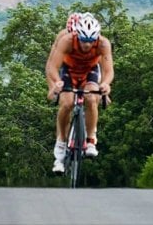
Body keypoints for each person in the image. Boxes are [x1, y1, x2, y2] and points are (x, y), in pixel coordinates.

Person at [46, 12, 114, 173]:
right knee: (67, 103)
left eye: (91, 41)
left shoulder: (103, 44)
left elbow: (108, 70)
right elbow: (51, 67)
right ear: (77, 34)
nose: (87, 45)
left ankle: (90, 140)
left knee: (91, 98)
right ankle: (61, 142)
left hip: (89, 71)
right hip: (69, 71)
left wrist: (105, 86)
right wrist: (55, 85)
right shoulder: (66, 39)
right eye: (83, 41)